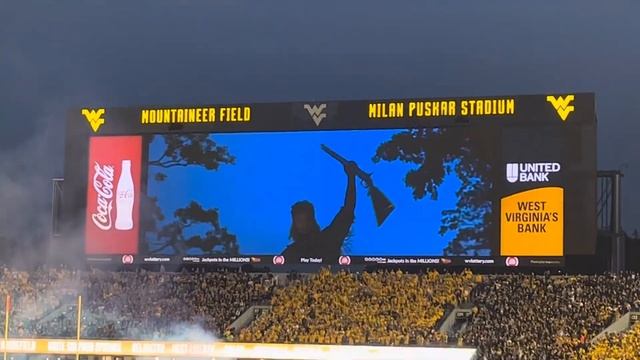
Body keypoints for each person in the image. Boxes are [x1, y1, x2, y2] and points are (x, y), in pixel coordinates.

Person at [281, 161, 357, 263]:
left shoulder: (328, 239)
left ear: (312, 220)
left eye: (306, 219)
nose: (303, 224)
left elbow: (347, 211)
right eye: (299, 220)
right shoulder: (290, 253)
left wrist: (351, 178)